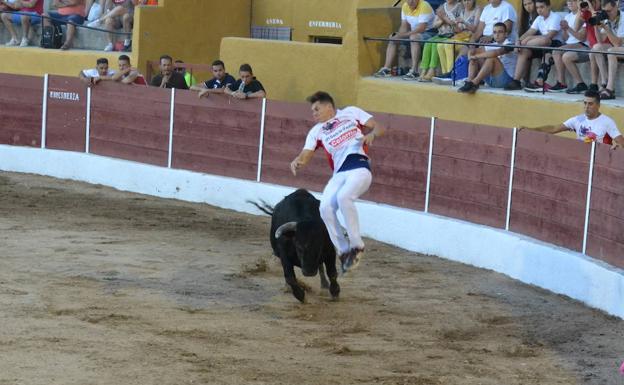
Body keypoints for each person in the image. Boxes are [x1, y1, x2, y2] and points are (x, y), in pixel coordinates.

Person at [289, 91, 386, 274]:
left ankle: (357, 246)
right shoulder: (316, 131)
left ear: (329, 106)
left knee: (343, 197)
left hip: (359, 167)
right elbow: (306, 154)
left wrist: (372, 134)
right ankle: (344, 253)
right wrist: (297, 161)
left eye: (316, 109)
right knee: (325, 207)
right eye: (312, 111)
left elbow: (379, 126)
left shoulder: (351, 112)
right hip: (339, 174)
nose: (314, 114)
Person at [520, 90, 624, 148]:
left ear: (598, 105)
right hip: (581, 158)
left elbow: (621, 142)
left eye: (590, 104)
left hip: (600, 161)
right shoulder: (578, 120)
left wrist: (617, 146)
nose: (586, 107)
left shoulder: (607, 122)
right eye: (585, 103)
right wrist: (530, 129)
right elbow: (553, 128)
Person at [505, 0, 563, 92]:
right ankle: (516, 81)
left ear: (548, 7)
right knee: (524, 51)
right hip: (539, 45)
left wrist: (527, 40)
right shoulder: (539, 18)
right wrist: (518, 41)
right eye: (537, 8)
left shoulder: (555, 17)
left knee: (544, 40)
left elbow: (549, 36)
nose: (539, 10)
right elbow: (529, 32)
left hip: (554, 45)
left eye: (542, 7)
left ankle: (539, 81)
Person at [373, 0, 435, 80]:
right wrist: (398, 35)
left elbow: (421, 28)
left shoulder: (424, 6)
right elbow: (404, 26)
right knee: (393, 36)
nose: (411, 2)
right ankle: (386, 69)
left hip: (430, 33)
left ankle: (414, 71)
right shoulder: (405, 6)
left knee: (414, 37)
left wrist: (403, 35)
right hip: (414, 33)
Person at [458, 22, 517, 93]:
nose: (497, 35)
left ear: (506, 34)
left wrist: (475, 56)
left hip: (506, 81)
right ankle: (469, 81)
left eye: (500, 32)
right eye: (494, 32)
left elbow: (496, 53)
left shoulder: (509, 44)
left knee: (492, 58)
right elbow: (473, 51)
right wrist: (471, 55)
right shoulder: (494, 44)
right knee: (477, 57)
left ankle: (474, 83)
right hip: (491, 79)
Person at [433, 0, 482, 82]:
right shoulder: (462, 10)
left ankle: (451, 73)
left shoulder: (477, 10)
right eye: (464, 1)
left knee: (449, 45)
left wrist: (464, 22)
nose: (466, 3)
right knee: (440, 45)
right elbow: (458, 30)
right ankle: (446, 72)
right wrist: (455, 24)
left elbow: (475, 29)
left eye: (469, 0)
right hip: (460, 37)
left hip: (470, 39)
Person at [418, 0, 463, 82]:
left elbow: (457, 26)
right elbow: (434, 25)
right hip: (440, 34)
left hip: (452, 35)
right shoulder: (442, 6)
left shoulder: (459, 7)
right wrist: (442, 20)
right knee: (428, 42)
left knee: (435, 44)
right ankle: (424, 70)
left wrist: (444, 18)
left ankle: (432, 70)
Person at [589, 0, 624, 99]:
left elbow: (617, 43)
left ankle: (610, 89)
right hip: (620, 48)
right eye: (604, 11)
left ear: (616, 7)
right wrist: (596, 24)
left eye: (609, 11)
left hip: (620, 46)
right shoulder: (606, 18)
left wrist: (607, 28)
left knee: (611, 51)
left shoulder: (623, 18)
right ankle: (604, 82)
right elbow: (600, 41)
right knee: (596, 48)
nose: (606, 14)